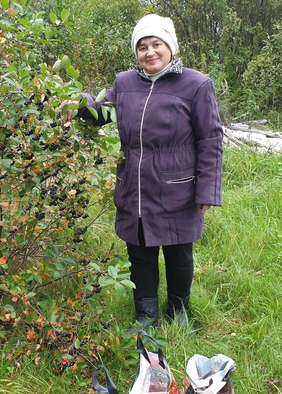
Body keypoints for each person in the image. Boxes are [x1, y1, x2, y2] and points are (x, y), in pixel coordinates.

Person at [66, 14, 223, 329]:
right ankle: (146, 315)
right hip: (134, 186)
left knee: (179, 256)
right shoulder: (125, 83)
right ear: (136, 52)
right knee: (140, 255)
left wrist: (207, 189)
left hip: (178, 187)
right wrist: (73, 100)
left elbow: (211, 139)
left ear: (170, 47)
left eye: (156, 44)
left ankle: (179, 313)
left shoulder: (196, 84)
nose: (150, 52)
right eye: (142, 46)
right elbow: (101, 113)